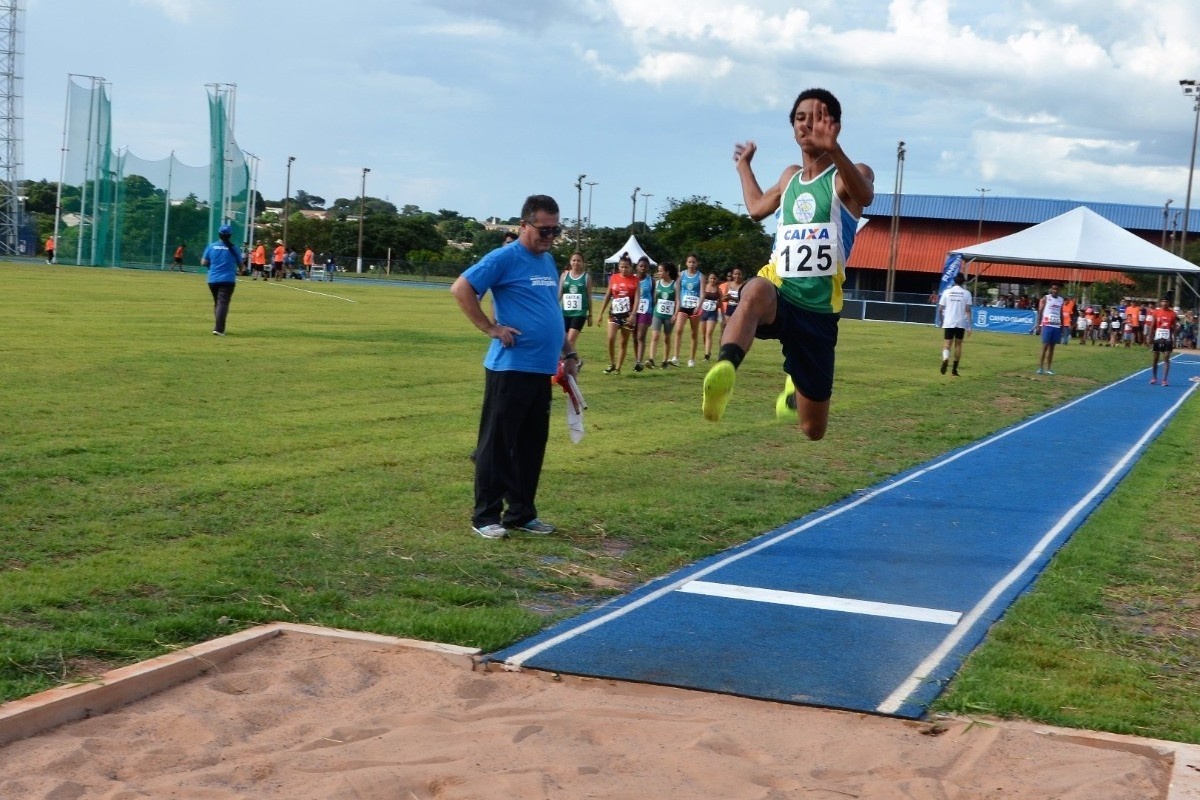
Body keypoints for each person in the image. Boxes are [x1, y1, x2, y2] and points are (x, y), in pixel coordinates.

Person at [702, 87, 874, 441]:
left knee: (813, 430)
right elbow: (755, 209)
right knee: (754, 290)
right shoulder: (790, 177)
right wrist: (743, 167)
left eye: (817, 117)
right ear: (793, 127)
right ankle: (724, 369)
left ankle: (794, 382)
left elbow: (865, 195)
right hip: (780, 290)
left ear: (834, 125)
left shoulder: (848, 174)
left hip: (819, 310)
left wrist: (834, 150)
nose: (807, 124)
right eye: (800, 118)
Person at [449, 194, 578, 539]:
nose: (550, 237)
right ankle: (485, 516)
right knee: (497, 443)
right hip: (510, 367)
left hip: (541, 369)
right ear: (523, 225)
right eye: (544, 230)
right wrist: (490, 328)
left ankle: (521, 513)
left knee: (530, 444)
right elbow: (461, 288)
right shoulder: (505, 257)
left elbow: (552, 310)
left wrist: (568, 352)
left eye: (556, 230)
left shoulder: (548, 261)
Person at [597, 254, 639, 374]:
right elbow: (607, 296)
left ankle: (618, 368)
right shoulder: (614, 277)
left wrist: (633, 315)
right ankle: (612, 363)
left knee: (623, 341)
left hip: (628, 314)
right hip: (614, 313)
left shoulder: (635, 280)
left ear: (631, 267)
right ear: (618, 267)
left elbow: (637, 298)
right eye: (621, 267)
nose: (624, 269)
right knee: (611, 338)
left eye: (626, 267)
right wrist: (600, 313)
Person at [201, 224, 241, 336]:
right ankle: (219, 329)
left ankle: (218, 327)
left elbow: (203, 262)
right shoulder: (234, 248)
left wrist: (211, 266)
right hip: (228, 280)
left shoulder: (211, 246)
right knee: (223, 303)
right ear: (230, 235)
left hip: (213, 279)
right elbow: (241, 265)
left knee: (218, 303)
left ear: (219, 234)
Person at [936, 271, 972, 376]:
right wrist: (969, 326)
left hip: (949, 321)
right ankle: (954, 370)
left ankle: (945, 358)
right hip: (960, 322)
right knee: (958, 345)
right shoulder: (967, 293)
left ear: (954, 281)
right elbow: (968, 310)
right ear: (963, 283)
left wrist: (942, 321)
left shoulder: (947, 292)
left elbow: (940, 309)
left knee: (947, 344)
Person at [672, 253, 704, 366]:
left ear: (697, 263)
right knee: (678, 330)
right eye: (689, 262)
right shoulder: (681, 275)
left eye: (693, 262)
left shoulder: (700, 276)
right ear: (686, 263)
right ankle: (675, 357)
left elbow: (702, 293)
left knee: (694, 333)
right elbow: (677, 291)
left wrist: (699, 306)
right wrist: (677, 306)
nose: (691, 264)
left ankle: (691, 359)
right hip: (683, 306)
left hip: (695, 307)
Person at [559, 251, 593, 351]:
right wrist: (554, 309)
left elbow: (589, 296)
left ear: (583, 263)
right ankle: (576, 362)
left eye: (579, 261)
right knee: (563, 342)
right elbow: (559, 294)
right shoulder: (564, 276)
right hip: (565, 313)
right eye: (574, 260)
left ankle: (564, 365)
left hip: (579, 314)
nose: (576, 263)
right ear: (570, 262)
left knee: (570, 341)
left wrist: (590, 315)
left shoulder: (586, 277)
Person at [647, 261, 679, 368]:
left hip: (669, 315)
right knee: (655, 336)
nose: (658, 273)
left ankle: (664, 361)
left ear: (667, 272)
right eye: (658, 271)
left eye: (661, 271)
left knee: (667, 338)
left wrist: (675, 314)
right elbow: (655, 298)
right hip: (658, 313)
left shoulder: (675, 284)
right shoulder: (657, 283)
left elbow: (678, 301)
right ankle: (651, 359)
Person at [1148, 297, 1179, 386]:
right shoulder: (1156, 312)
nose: (1164, 303)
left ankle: (1164, 379)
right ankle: (1154, 377)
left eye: (1166, 302)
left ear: (1169, 303)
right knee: (1155, 358)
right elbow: (1153, 325)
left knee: (1166, 357)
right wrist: (1150, 336)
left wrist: (1174, 340)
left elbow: (1174, 328)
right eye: (1163, 302)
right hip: (1158, 337)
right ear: (1161, 303)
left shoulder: (1173, 314)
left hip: (1167, 338)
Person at [1035, 283, 1064, 375]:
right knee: (1045, 346)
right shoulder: (1046, 298)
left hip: (1056, 325)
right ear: (1051, 289)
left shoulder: (1061, 300)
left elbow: (1061, 313)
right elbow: (1040, 311)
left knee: (1052, 348)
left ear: (1059, 290)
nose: (1055, 291)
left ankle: (1049, 368)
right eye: (1053, 289)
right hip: (1047, 325)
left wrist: (1062, 326)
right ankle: (1040, 368)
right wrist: (1039, 325)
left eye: (1057, 289)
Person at [633, 256, 655, 371]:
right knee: (634, 337)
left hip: (646, 310)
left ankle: (639, 362)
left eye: (645, 267)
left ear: (648, 268)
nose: (643, 268)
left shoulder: (651, 280)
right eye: (641, 266)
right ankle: (637, 360)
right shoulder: (633, 279)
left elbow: (653, 297)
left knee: (641, 336)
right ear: (637, 267)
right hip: (633, 311)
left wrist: (652, 313)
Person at [700, 272, 722, 363]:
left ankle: (707, 355)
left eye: (714, 279)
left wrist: (722, 314)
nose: (712, 280)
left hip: (713, 314)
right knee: (704, 334)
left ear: (716, 280)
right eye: (711, 278)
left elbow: (721, 303)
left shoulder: (718, 289)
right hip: (703, 313)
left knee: (709, 334)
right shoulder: (704, 287)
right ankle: (708, 350)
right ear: (708, 279)